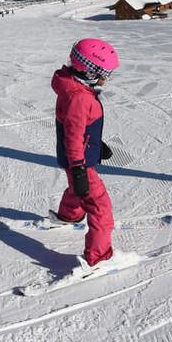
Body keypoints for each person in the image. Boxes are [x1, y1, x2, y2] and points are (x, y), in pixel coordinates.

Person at [51, 38, 120, 271]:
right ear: (89, 71)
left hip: (78, 157)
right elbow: (73, 136)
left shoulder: (78, 90)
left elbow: (79, 129)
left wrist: (96, 145)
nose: (106, 79)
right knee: (100, 207)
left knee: (76, 190)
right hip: (78, 161)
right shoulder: (79, 98)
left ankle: (68, 215)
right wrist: (80, 168)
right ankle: (98, 257)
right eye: (104, 74)